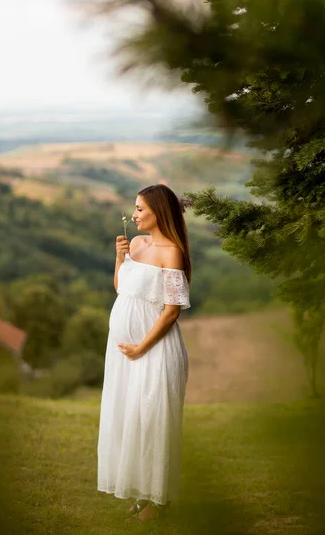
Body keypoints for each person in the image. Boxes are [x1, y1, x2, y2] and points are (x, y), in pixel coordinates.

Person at [97, 184, 192, 522]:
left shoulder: (172, 251)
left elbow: (172, 310)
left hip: (155, 350)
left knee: (153, 421)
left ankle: (157, 500)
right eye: (134, 209)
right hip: (125, 353)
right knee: (131, 418)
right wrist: (120, 257)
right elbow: (122, 289)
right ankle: (142, 493)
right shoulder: (136, 244)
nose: (134, 215)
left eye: (139, 209)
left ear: (158, 212)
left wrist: (141, 346)